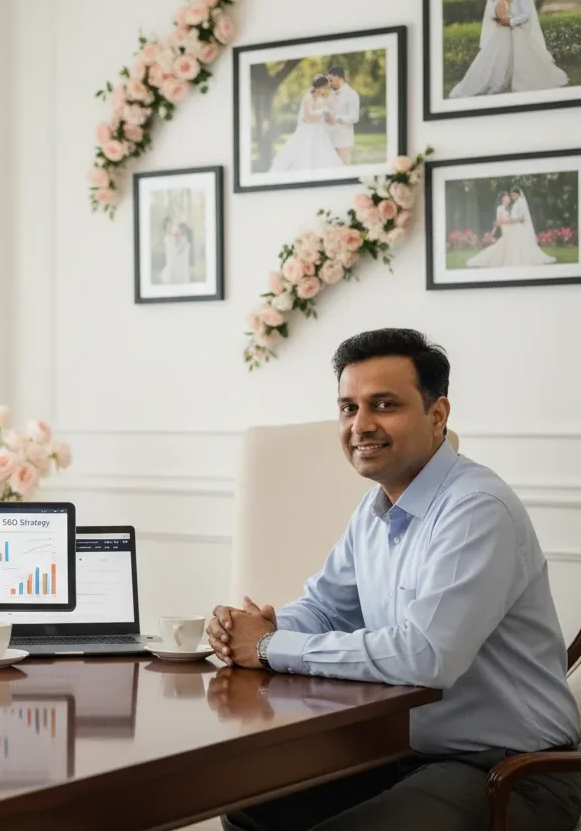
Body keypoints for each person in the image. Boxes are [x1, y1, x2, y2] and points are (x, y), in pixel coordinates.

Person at [209, 328, 581, 831]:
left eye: (383, 405)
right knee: (252, 809)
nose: (360, 425)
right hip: (402, 755)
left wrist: (272, 645)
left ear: (437, 414)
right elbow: (324, 607)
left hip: (512, 772)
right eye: (348, 407)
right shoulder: (377, 505)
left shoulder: (476, 509)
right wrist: (256, 627)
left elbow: (424, 657)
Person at [499, 0, 569, 93]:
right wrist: (508, 18)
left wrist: (511, 21)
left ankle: (527, 79)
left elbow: (526, 15)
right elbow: (518, 13)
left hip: (521, 31)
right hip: (517, 31)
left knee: (525, 56)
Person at [449, 0, 514, 99]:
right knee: (501, 57)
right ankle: (498, 80)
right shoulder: (501, 3)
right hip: (502, 35)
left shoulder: (496, 2)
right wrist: (515, 22)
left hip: (500, 34)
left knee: (496, 57)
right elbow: (502, 21)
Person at [269, 74, 344, 173]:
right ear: (319, 87)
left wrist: (330, 113)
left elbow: (329, 120)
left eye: (326, 89)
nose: (325, 91)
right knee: (305, 155)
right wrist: (322, 112)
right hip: (308, 132)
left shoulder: (323, 101)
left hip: (320, 133)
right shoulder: (308, 99)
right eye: (324, 88)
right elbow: (309, 118)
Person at [322, 65, 360, 165]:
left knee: (344, 167)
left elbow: (355, 117)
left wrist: (337, 119)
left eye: (331, 80)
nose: (329, 83)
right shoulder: (330, 95)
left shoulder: (351, 94)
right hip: (329, 137)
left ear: (339, 77)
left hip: (343, 138)